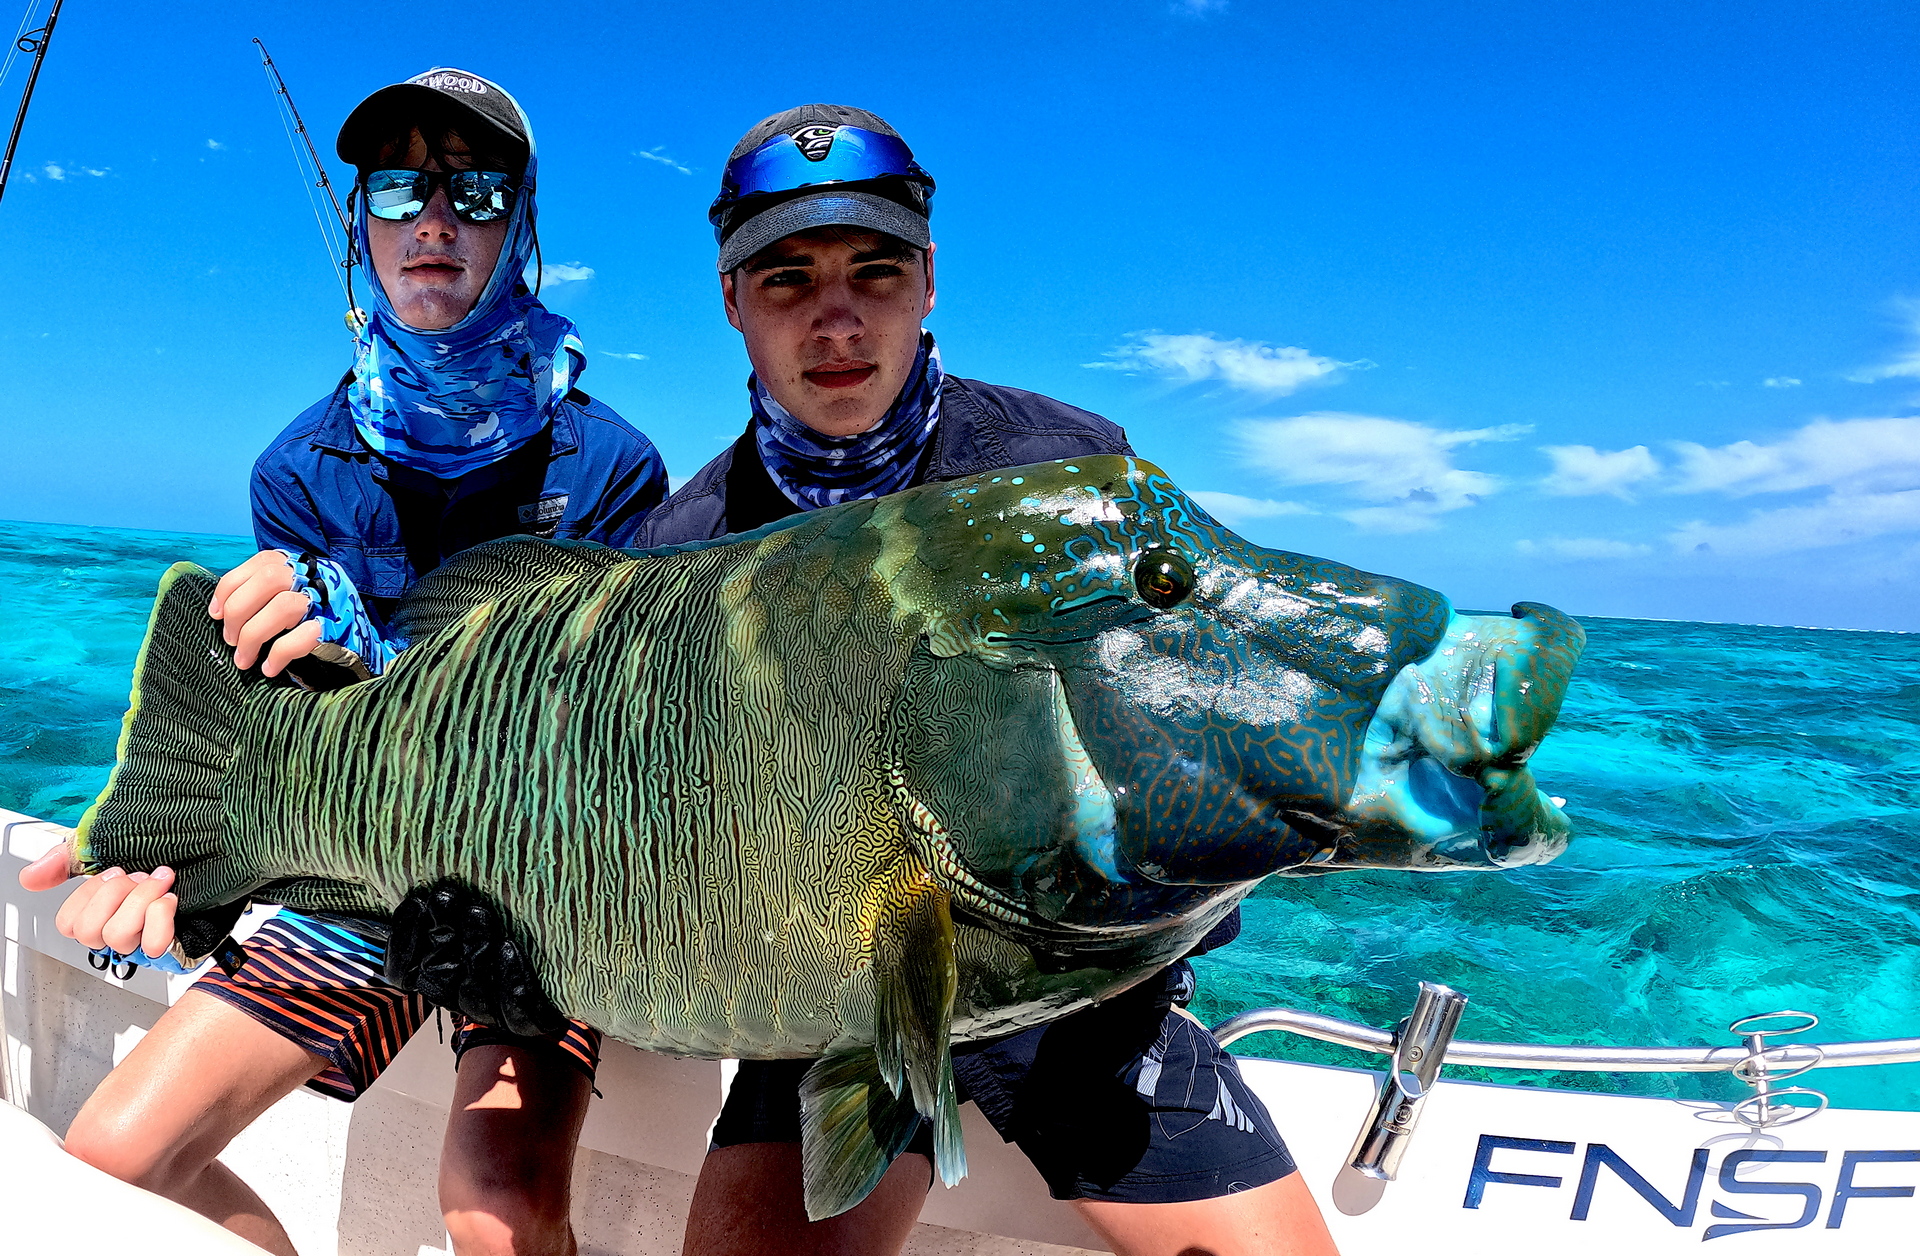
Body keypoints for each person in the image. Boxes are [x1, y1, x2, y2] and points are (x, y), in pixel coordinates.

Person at [641, 105, 1340, 1256]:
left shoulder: (1071, 471)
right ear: (732, 304)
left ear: (927, 282)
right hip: (845, 997)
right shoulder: (684, 549)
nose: (836, 318)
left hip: (1084, 998)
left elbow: (1198, 717)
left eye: (874, 271)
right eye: (787, 281)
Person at [17, 68, 666, 1256]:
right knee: (116, 1158)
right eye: (399, 187)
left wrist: (390, 648)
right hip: (356, 873)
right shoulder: (296, 468)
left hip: (536, 880)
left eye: (475, 189)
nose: (434, 218)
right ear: (360, 220)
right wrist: (178, 853)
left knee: (500, 1208)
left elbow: (614, 724)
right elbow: (270, 716)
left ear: (520, 226)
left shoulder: (616, 462)